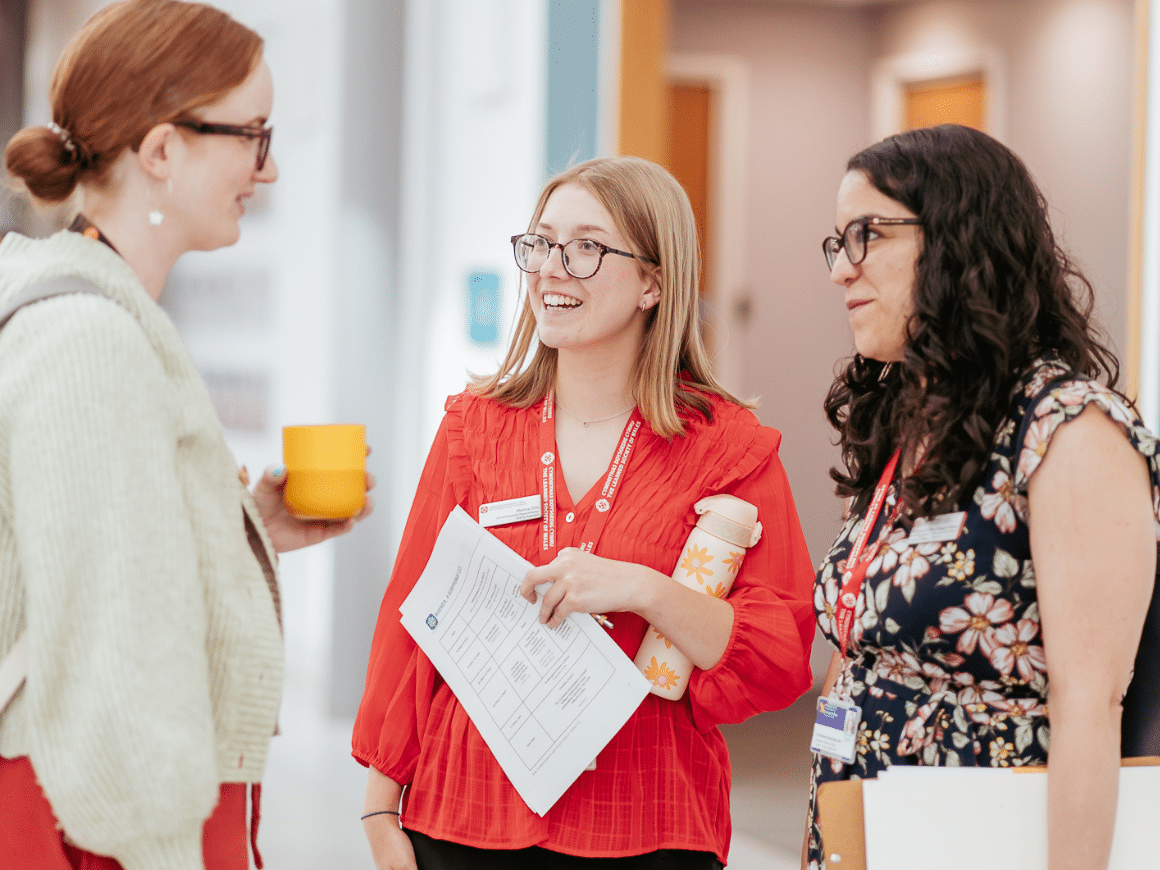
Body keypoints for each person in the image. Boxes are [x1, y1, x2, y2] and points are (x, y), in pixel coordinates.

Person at [354, 155, 815, 869]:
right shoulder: (475, 429)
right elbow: (413, 623)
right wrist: (381, 804)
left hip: (645, 821)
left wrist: (644, 590)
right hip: (465, 815)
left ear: (654, 283)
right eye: (540, 245)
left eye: (586, 248)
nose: (551, 269)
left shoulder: (728, 449)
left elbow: (778, 657)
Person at [0, 3, 371, 869]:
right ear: (162, 151)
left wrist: (242, 527)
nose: (267, 170)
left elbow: (88, 550)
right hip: (103, 828)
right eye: (253, 136)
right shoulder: (93, 342)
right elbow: (110, 652)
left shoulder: (86, 311)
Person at [805, 124, 1158, 870]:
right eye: (838, 242)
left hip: (984, 831)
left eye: (868, 234)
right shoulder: (906, 421)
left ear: (960, 239)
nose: (842, 269)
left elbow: (1090, 708)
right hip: (865, 824)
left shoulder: (1070, 429)